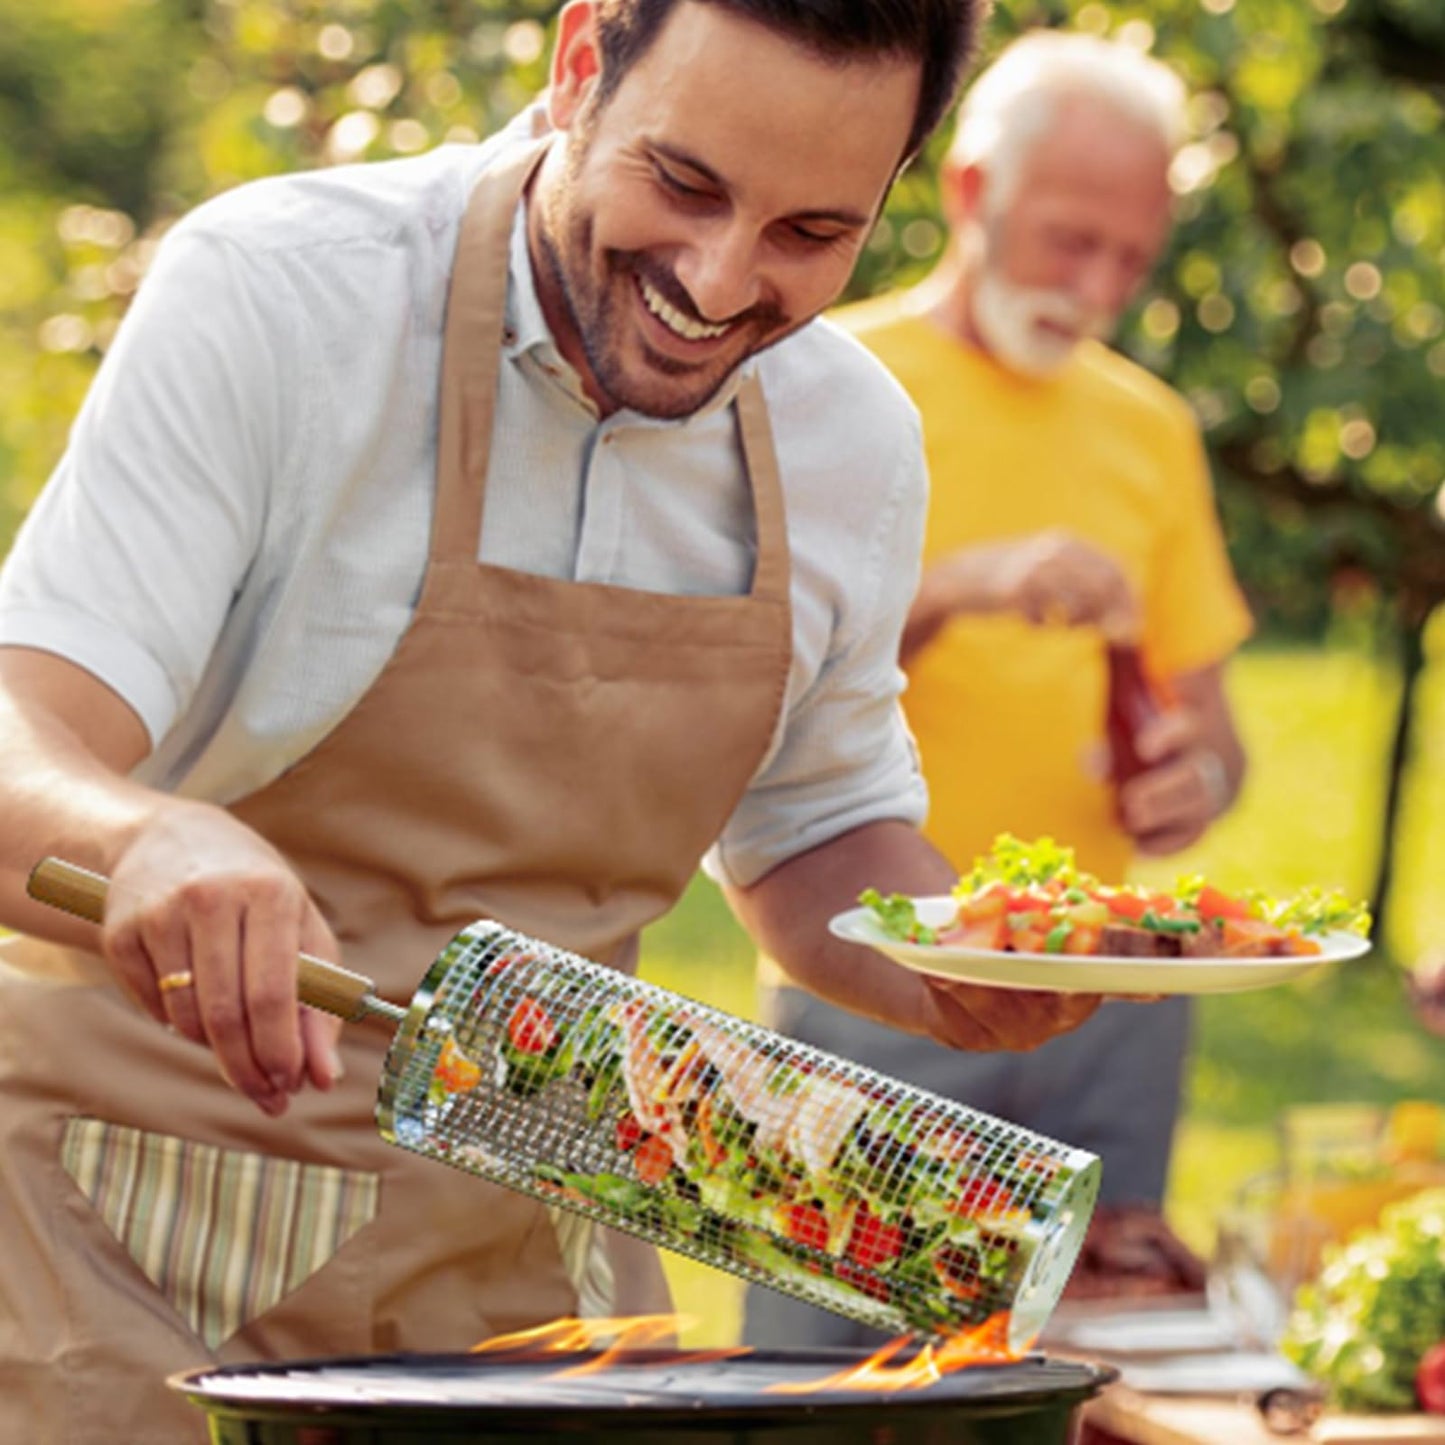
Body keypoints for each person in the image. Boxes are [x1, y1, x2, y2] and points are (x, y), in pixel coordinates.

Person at [0, 1, 1115, 1438]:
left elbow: (816, 837)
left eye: (809, 233)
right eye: (687, 185)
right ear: (580, 60)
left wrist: (967, 955)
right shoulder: (283, 295)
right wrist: (144, 836)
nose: (719, 283)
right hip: (127, 1240)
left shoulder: (851, 439)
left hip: (528, 1287)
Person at [744, 31, 1253, 1347]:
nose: (1095, 285)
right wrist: (960, 582)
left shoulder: (1146, 427)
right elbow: (752, 693)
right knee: (829, 1386)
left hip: (1110, 1006)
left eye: (1129, 257)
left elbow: (1212, 724)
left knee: (1086, 1380)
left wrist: (1193, 774)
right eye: (1067, 239)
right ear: (969, 193)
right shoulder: (820, 382)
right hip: (874, 973)